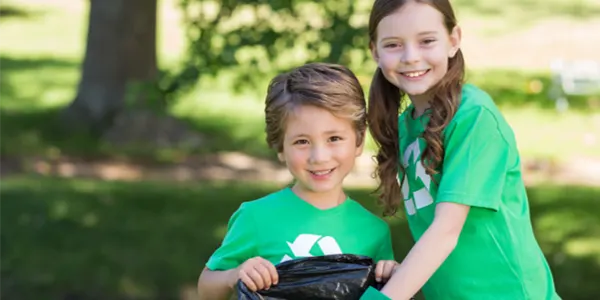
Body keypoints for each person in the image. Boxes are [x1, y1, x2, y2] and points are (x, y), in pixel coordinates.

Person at [359, 0, 562, 299]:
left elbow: (445, 231)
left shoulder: (473, 116)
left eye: (427, 41)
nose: (411, 57)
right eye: (393, 45)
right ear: (375, 52)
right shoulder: (406, 126)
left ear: (453, 41)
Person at [197, 62, 398, 300]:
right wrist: (235, 275)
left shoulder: (374, 231)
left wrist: (393, 276)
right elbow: (206, 289)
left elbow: (384, 293)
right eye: (302, 141)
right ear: (280, 147)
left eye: (334, 138)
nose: (319, 157)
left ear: (359, 140)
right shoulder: (256, 217)